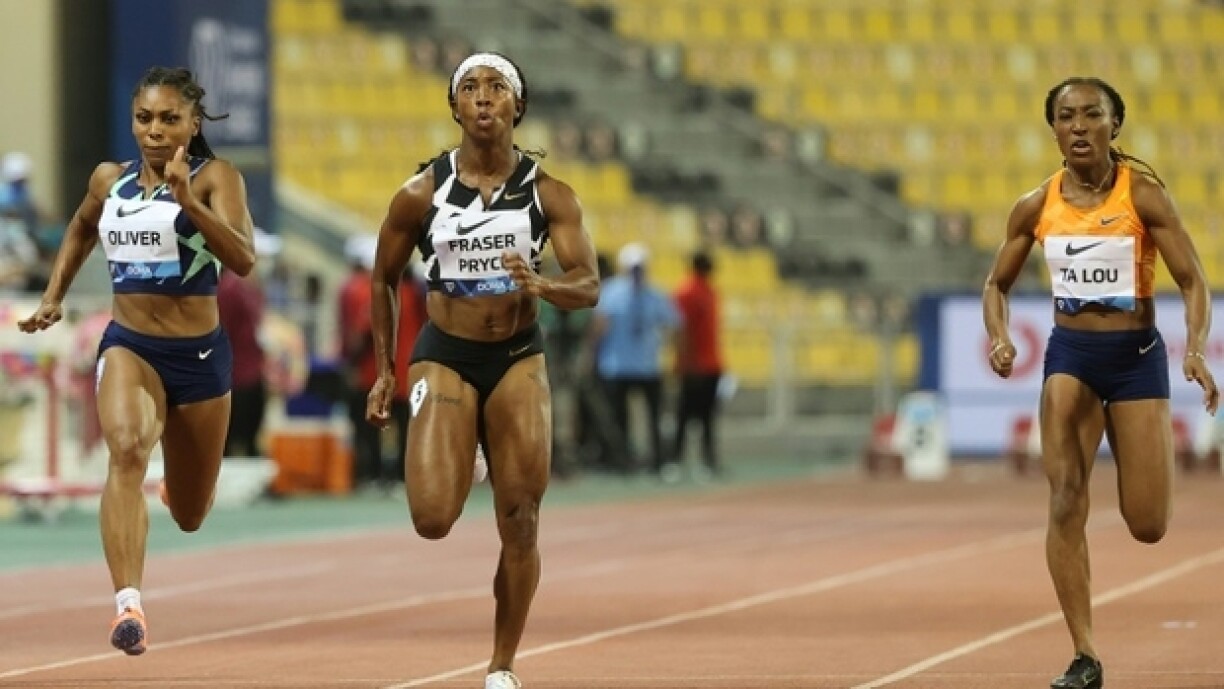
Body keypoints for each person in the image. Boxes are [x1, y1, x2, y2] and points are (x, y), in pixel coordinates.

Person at [364, 52, 599, 689]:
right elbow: (382, 277)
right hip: (446, 352)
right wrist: (384, 370)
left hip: (518, 356)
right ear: (455, 107)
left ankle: (501, 666)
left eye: (497, 86)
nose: (484, 96)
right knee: (432, 519)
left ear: (518, 105)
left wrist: (543, 286)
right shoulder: (422, 193)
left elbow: (588, 283)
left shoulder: (549, 195)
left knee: (520, 520)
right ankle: (466, 445)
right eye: (470, 87)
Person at [981, 77, 1218, 689]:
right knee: (1065, 499)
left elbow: (1193, 280)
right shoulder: (1035, 205)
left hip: (1136, 357)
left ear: (1115, 125)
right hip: (1072, 356)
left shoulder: (1145, 196)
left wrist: (1195, 349)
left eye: (1092, 114)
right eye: (1067, 116)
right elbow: (996, 284)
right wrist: (1000, 337)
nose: (1079, 126)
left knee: (1148, 524)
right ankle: (1084, 654)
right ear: (1053, 129)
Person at [17, 66, 255, 656]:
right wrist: (53, 296)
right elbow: (80, 229)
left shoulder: (215, 177)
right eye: (144, 118)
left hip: (199, 356)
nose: (155, 130)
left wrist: (187, 201)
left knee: (192, 513)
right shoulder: (110, 180)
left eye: (169, 119)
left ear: (192, 124)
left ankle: (180, 485)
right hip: (131, 345)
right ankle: (129, 605)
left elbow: (244, 258)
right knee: (125, 451)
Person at [592, 242, 679, 479]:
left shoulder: (656, 295)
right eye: (633, 269)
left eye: (640, 268)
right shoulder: (611, 292)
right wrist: (593, 356)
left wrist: (668, 350)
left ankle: (658, 460)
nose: (637, 273)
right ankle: (622, 461)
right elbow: (599, 327)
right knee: (619, 418)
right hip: (616, 366)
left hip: (647, 365)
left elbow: (673, 324)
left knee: (655, 417)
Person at [672, 249, 724, 479]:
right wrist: (685, 361)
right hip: (695, 365)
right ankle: (675, 460)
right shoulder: (687, 292)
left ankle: (708, 460)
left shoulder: (710, 291)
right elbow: (681, 330)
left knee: (707, 416)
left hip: (711, 364)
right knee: (685, 415)